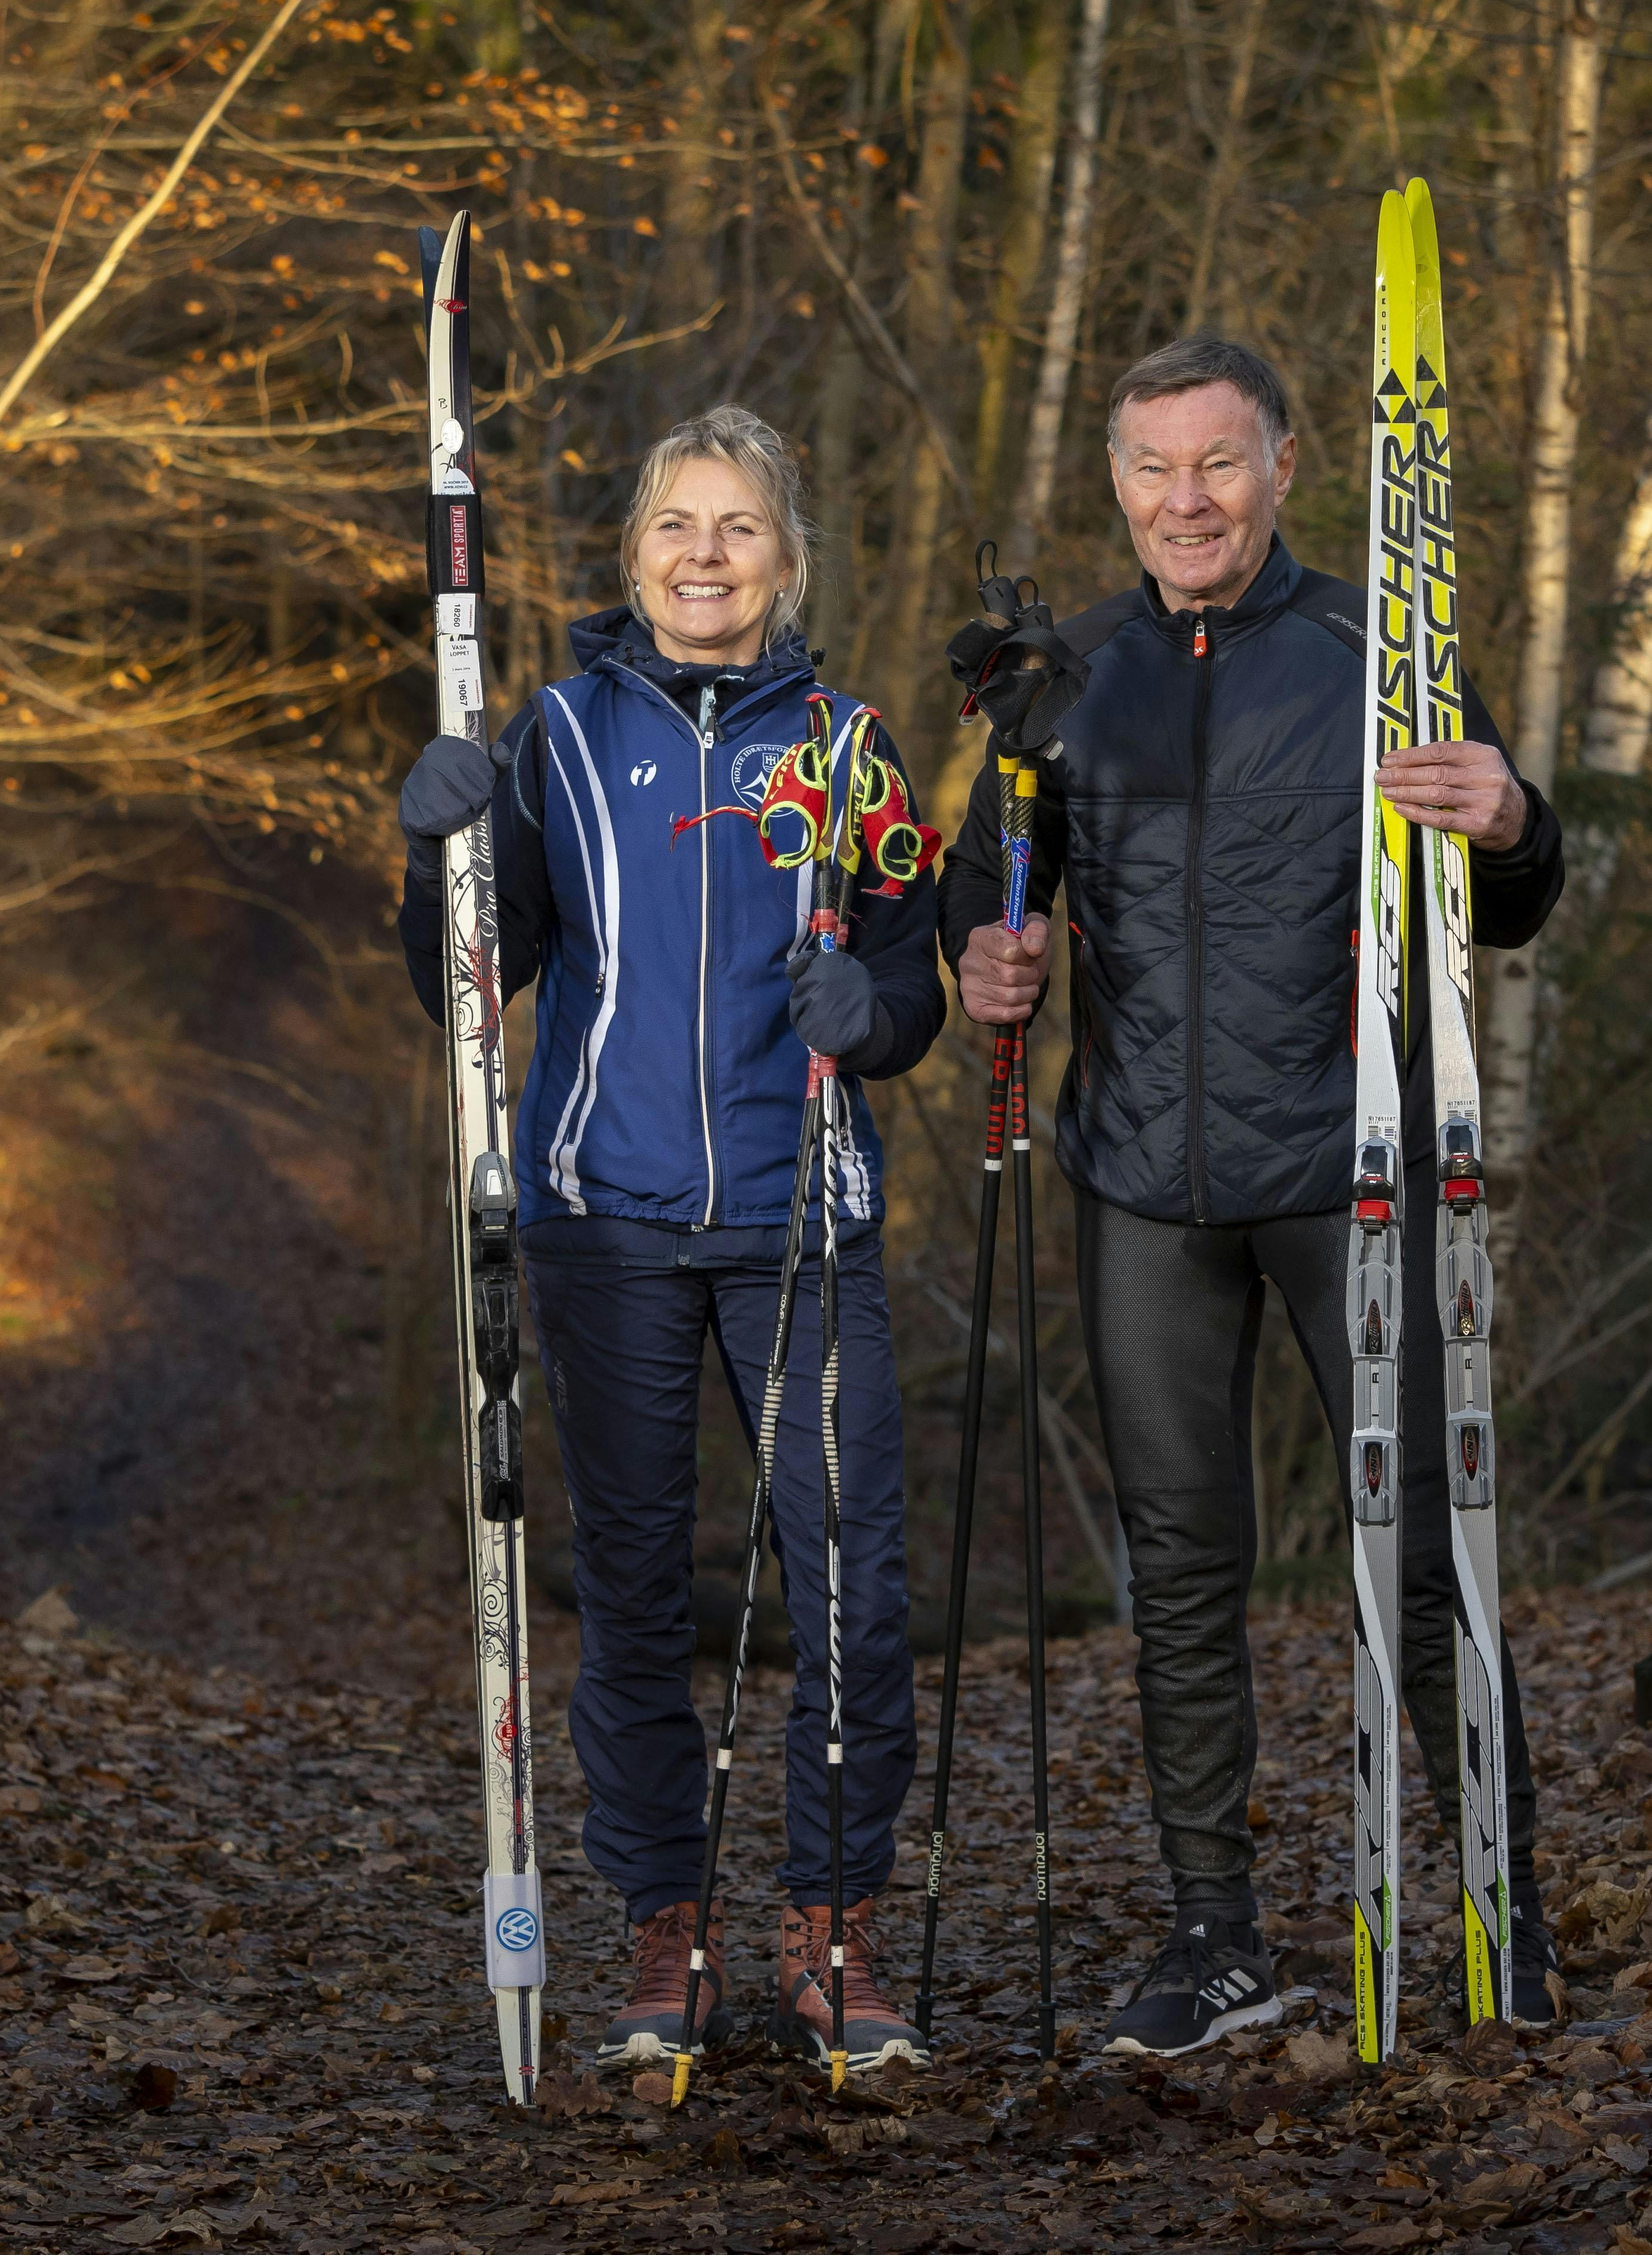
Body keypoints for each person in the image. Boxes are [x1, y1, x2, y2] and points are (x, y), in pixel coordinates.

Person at [936, 338, 1567, 2057]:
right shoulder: (1068, 675)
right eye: (1152, 468)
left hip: (1348, 1169)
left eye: (1218, 464)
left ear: (1286, 464)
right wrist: (984, 962)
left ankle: (1503, 1901)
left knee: (1427, 1554)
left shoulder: (1386, 645)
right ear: (1118, 483)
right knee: (1182, 1565)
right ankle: (1218, 1939)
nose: (1185, 501)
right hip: (1141, 1180)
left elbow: (1510, 896)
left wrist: (1504, 816)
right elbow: (992, 900)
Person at [398, 404, 947, 2078]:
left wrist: (886, 1002)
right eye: (675, 527)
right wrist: (439, 856)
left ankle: (832, 1929)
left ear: (788, 559)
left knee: (853, 1584)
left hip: (803, 1225)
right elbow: (466, 990)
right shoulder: (556, 734)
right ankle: (664, 1923)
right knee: (635, 1596)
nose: (705, 557)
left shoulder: (851, 748)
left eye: (740, 530)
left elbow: (914, 981)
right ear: (635, 553)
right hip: (608, 1228)